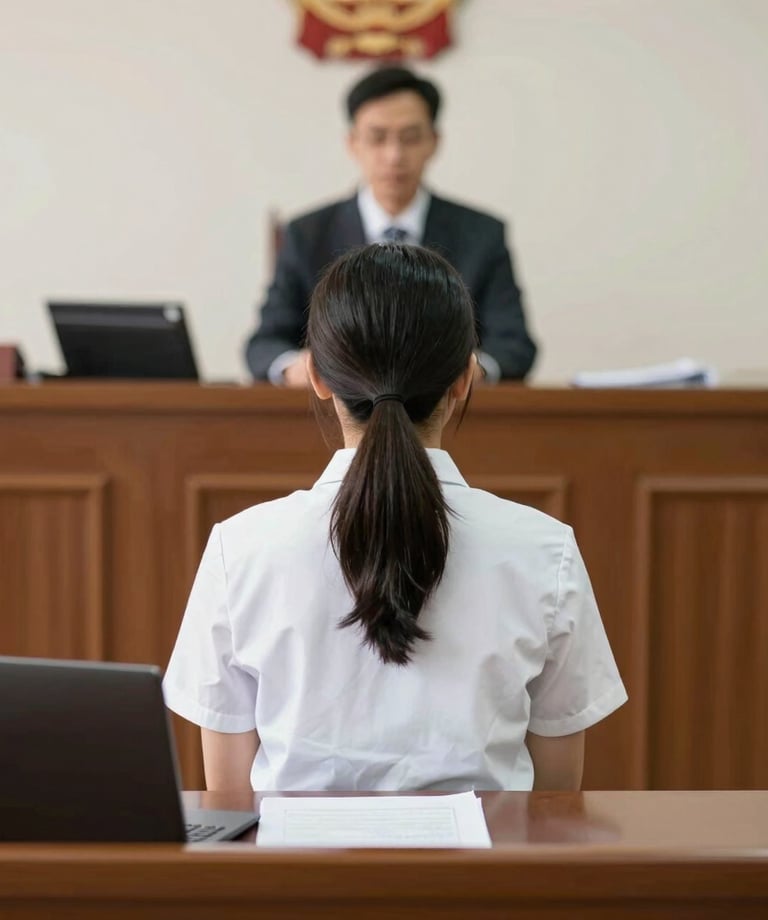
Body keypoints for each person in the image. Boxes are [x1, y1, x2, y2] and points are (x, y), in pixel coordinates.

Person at [164, 243, 626, 793]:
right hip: (491, 878)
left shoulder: (239, 548)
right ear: (465, 379)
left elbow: (231, 801)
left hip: (293, 878)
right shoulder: (545, 550)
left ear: (316, 376)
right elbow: (553, 804)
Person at [245, 65, 537, 387]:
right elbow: (264, 345)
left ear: (434, 142)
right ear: (353, 143)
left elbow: (514, 345)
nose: (394, 155)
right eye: (377, 137)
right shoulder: (306, 234)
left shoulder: (481, 234)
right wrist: (295, 368)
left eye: (410, 138)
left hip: (449, 416)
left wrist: (473, 372)